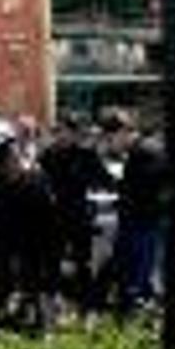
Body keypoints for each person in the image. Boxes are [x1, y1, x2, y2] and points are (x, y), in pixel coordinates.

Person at [0, 119, 58, 329]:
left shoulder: (35, 179)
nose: (1, 162)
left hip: (30, 248)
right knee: (3, 289)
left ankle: (37, 322)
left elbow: (49, 221)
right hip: (5, 247)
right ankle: (2, 321)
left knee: (33, 289)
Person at [40, 116, 114, 311]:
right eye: (57, 131)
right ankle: (53, 303)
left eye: (63, 131)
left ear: (73, 133)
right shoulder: (49, 155)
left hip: (79, 214)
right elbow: (41, 182)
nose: (59, 135)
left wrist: (107, 186)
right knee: (53, 261)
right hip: (55, 215)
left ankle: (85, 303)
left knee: (84, 262)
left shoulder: (86, 155)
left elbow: (104, 179)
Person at [108, 113, 166, 312]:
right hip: (141, 221)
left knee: (137, 278)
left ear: (121, 133)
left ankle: (137, 314)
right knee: (136, 276)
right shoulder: (143, 150)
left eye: (110, 139)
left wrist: (122, 195)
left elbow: (145, 191)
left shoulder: (144, 152)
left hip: (142, 223)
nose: (109, 145)